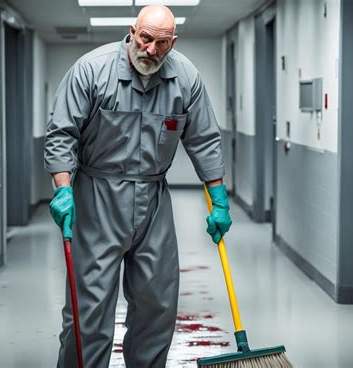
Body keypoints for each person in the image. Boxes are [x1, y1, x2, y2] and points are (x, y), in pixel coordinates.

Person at [44, 5, 232, 367]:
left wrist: (219, 199)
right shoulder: (92, 70)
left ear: (172, 42)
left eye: (162, 43)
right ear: (132, 31)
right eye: (145, 39)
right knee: (89, 309)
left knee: (157, 305)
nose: (151, 50)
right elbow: (61, 133)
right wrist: (63, 188)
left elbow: (205, 140)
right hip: (97, 197)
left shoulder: (186, 78)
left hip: (154, 200)